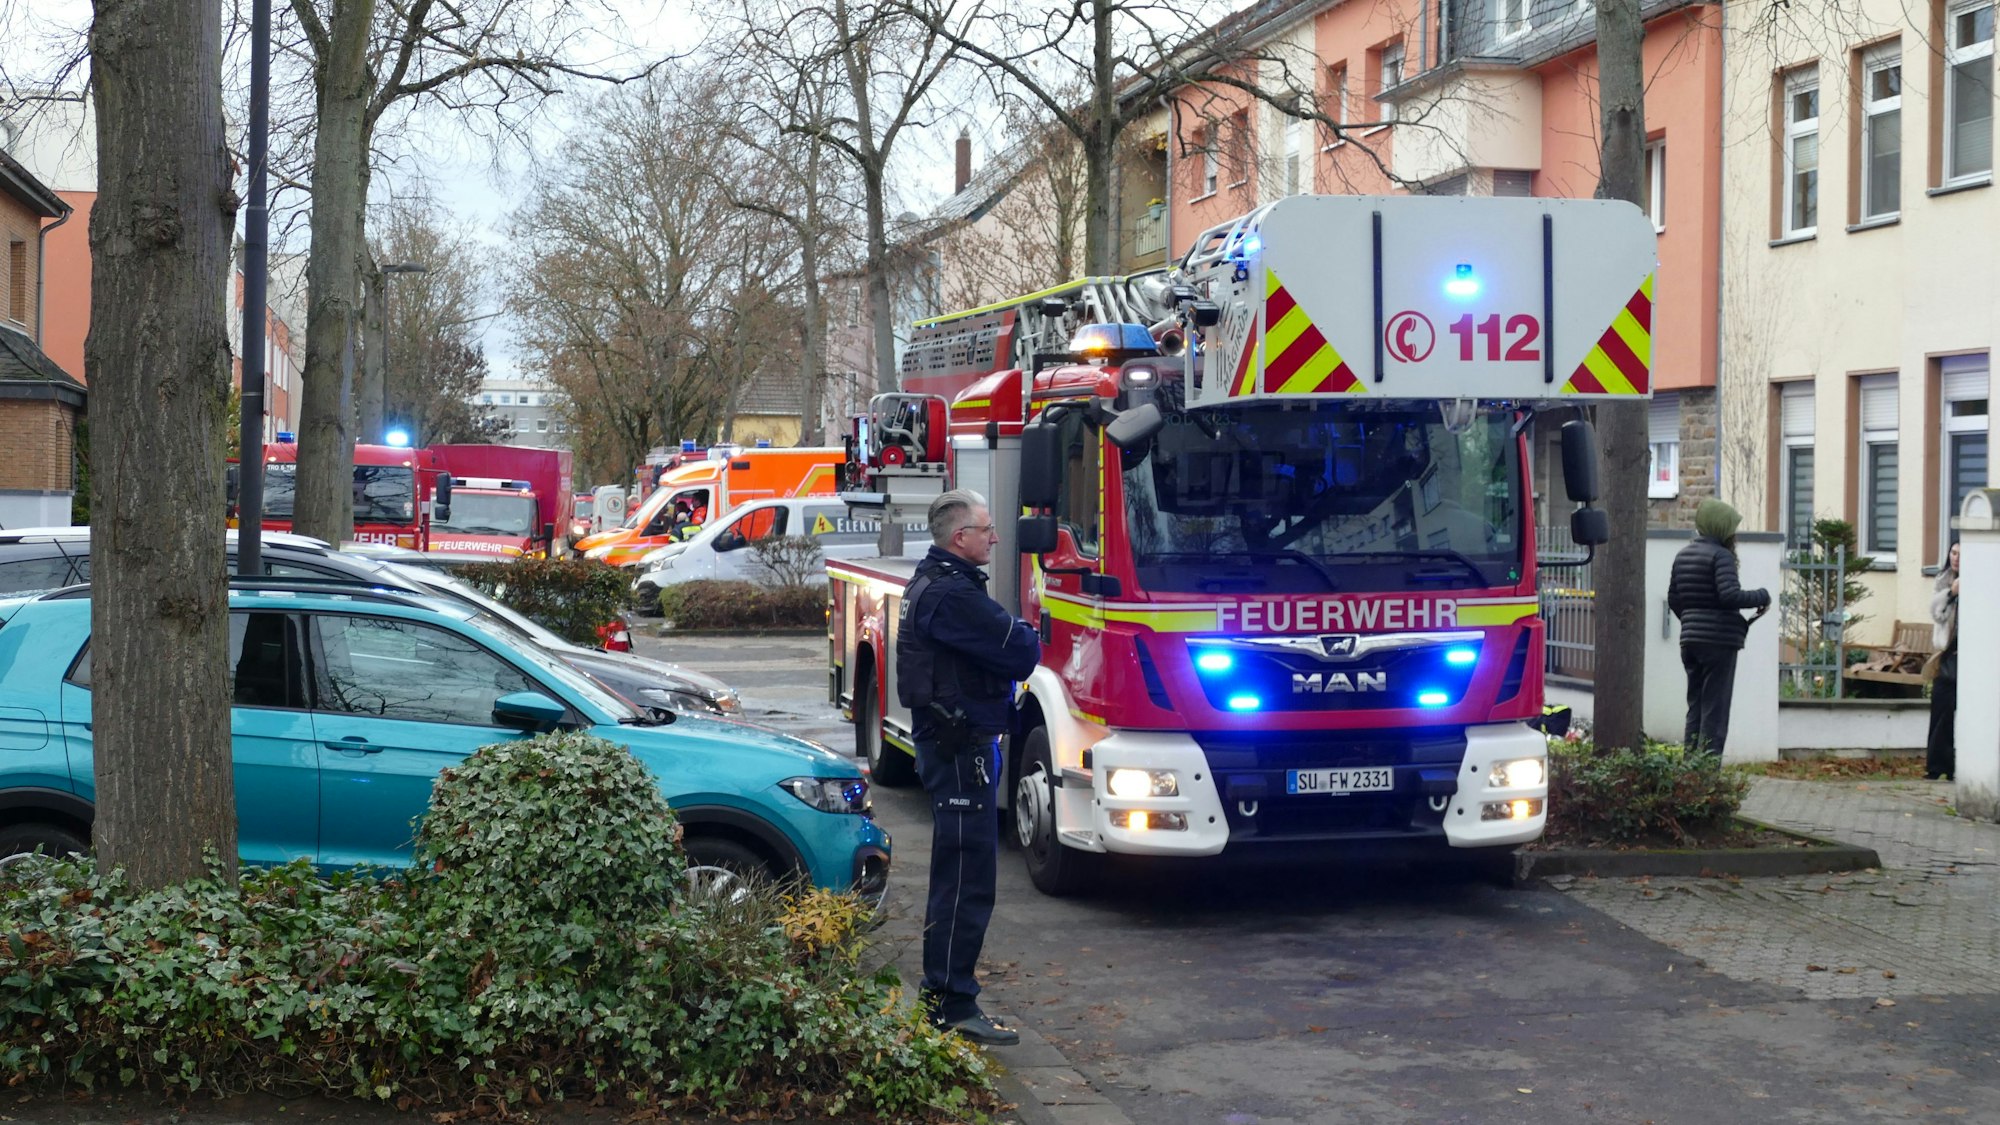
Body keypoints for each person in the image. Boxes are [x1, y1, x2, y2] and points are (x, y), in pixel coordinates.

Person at [896, 489, 1040, 1046]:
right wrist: (1025, 634)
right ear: (961, 538)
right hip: (961, 752)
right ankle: (951, 1004)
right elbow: (1022, 649)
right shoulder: (953, 594)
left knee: (961, 874)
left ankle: (948, 996)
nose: (995, 537)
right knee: (965, 878)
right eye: (986, 529)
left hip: (955, 747)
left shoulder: (934, 582)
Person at [1667, 499, 1771, 758]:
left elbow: (1674, 599)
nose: (1733, 534)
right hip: (1719, 644)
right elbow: (1729, 596)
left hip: (1689, 642)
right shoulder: (1721, 555)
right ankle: (1707, 778)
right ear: (1721, 527)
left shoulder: (1683, 554)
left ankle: (1689, 772)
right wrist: (1761, 595)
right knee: (1715, 710)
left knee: (1696, 706)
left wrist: (1692, 621)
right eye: (1731, 528)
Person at [1924, 540, 1961, 780]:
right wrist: (1952, 593)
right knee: (1941, 708)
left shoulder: (1987, 576)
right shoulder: (1944, 579)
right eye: (1954, 552)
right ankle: (1938, 766)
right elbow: (1937, 614)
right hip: (1948, 653)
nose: (1956, 558)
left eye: (1962, 554)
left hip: (1972, 654)